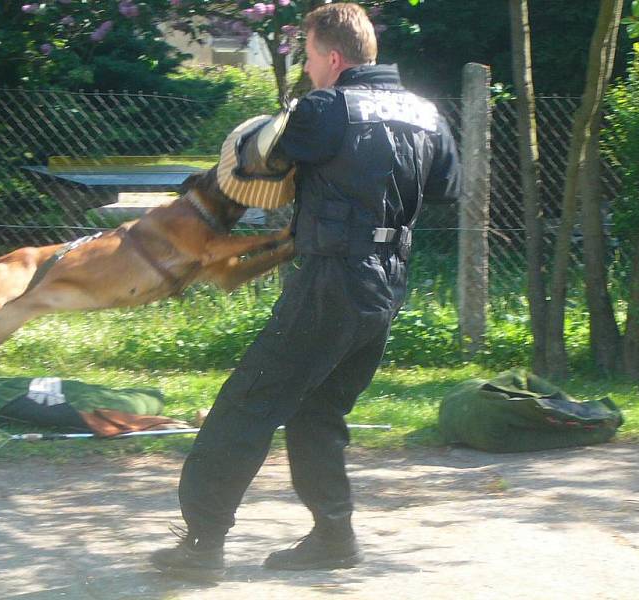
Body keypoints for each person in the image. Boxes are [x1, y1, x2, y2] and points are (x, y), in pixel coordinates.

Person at [151, 2, 461, 580]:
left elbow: (256, 162)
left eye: (312, 58)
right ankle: (334, 537)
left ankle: (201, 545)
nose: (310, 70)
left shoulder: (325, 107)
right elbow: (447, 185)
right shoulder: (426, 112)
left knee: (249, 402)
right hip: (389, 282)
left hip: (332, 278)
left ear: (335, 57)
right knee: (320, 408)